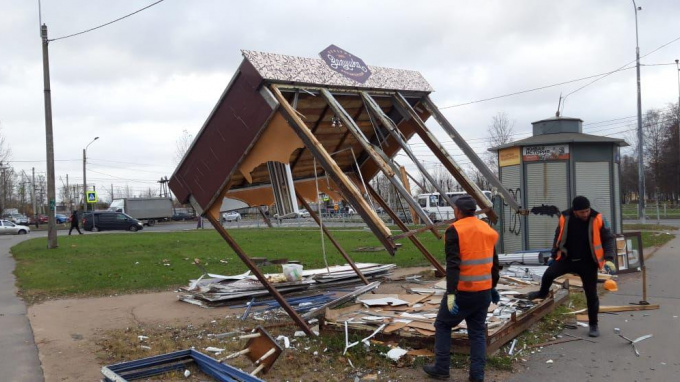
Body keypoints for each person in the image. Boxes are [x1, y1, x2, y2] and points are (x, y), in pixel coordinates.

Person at [423, 195, 500, 381]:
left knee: (442, 324)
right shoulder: (486, 229)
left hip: (463, 292)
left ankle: (441, 368)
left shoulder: (454, 230)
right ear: (473, 211)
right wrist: (493, 287)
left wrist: (451, 293)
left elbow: (453, 265)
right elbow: (494, 263)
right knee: (477, 333)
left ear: (457, 211)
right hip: (483, 292)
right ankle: (477, 375)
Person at [527, 196, 615, 337]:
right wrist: (554, 253)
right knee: (549, 274)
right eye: (582, 212)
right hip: (567, 259)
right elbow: (558, 235)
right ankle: (542, 293)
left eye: (587, 211)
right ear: (575, 211)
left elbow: (608, 238)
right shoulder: (565, 217)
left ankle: (593, 325)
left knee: (591, 294)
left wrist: (609, 258)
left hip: (588, 262)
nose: (585, 214)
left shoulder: (598, 218)